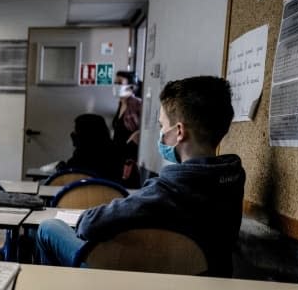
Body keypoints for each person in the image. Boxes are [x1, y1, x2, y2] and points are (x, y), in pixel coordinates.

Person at [36, 76, 245, 278]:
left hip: (141, 278)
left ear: (179, 132)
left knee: (48, 228)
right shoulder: (233, 177)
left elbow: (90, 225)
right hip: (205, 285)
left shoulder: (167, 189)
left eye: (162, 126)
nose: (161, 133)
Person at [53, 113, 120, 181]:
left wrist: (60, 167)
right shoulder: (114, 151)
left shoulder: (81, 153)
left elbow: (68, 173)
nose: (73, 133)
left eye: (76, 130)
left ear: (83, 132)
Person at [111, 70, 143, 187]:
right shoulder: (121, 104)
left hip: (130, 159)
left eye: (119, 83)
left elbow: (143, 131)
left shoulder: (137, 104)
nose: (115, 85)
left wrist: (138, 135)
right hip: (118, 157)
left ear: (131, 87)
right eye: (115, 82)